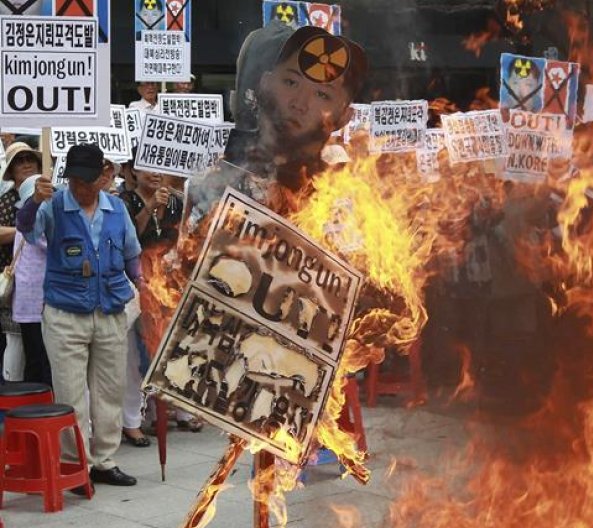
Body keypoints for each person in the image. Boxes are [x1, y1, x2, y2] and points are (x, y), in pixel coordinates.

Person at [16, 143, 144, 488]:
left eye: (88, 181)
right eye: (75, 181)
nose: (81, 188)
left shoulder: (117, 209)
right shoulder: (52, 205)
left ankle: (104, 460)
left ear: (104, 177)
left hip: (110, 309)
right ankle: (76, 466)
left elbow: (132, 253)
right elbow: (26, 229)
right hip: (65, 312)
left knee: (109, 390)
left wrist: (142, 284)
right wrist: (33, 202)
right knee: (70, 393)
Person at [185, 23, 367, 231]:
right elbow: (183, 256)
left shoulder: (342, 202)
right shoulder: (214, 185)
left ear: (344, 116)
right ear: (265, 84)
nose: (300, 103)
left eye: (322, 94)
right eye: (291, 82)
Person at [119, 162, 200, 444]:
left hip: (168, 284)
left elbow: (182, 241)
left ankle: (177, 408)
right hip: (136, 284)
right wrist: (151, 206)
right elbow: (129, 238)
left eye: (158, 168)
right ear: (132, 173)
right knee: (135, 356)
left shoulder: (177, 202)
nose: (154, 174)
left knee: (173, 348)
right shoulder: (124, 202)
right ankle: (133, 419)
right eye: (145, 168)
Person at [0, 142, 42, 380]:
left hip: (44, 286)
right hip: (15, 282)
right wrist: (26, 230)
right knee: (16, 345)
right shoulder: (6, 200)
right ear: (11, 169)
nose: (26, 164)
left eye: (30, 159)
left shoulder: (52, 195)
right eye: (19, 160)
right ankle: (12, 400)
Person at [12, 174, 51, 386]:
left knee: (34, 359)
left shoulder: (26, 219)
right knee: (42, 360)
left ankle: (33, 405)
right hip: (38, 300)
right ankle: (42, 407)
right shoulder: (32, 222)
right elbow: (53, 243)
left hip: (29, 302)